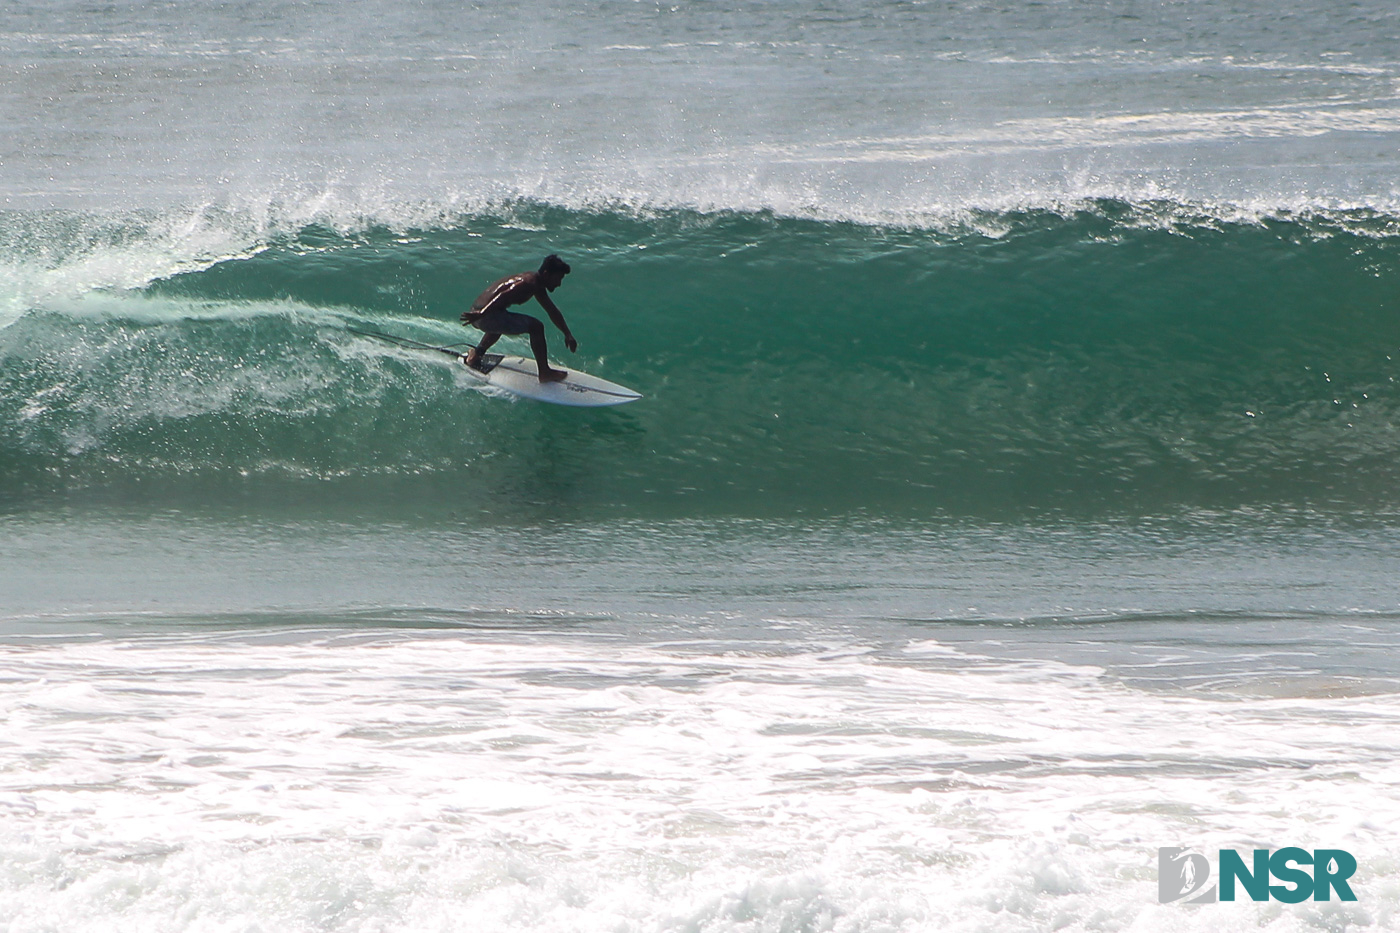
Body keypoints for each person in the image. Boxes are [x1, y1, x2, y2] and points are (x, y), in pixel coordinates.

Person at [460, 254, 577, 383]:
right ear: (546, 274)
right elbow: (502, 296)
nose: (559, 284)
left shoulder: (536, 283)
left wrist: (567, 334)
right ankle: (544, 372)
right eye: (558, 278)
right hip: (482, 315)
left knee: (501, 323)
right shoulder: (529, 283)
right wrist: (481, 313)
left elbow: (552, 310)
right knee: (536, 327)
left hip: (479, 313)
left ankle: (476, 355)